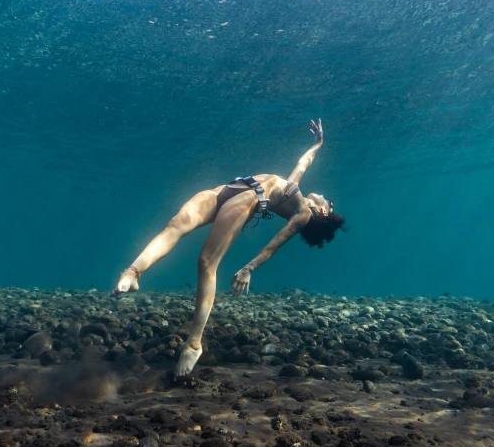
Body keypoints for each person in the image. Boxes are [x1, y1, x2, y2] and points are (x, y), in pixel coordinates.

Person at [113, 119, 346, 377]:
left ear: (324, 211)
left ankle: (194, 343)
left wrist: (249, 268)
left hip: (247, 200)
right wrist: (319, 143)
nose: (326, 195)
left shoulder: (302, 213)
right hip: (227, 189)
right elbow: (305, 162)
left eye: (330, 202)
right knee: (175, 225)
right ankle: (133, 272)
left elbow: (274, 245)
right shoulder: (295, 188)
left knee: (206, 263)